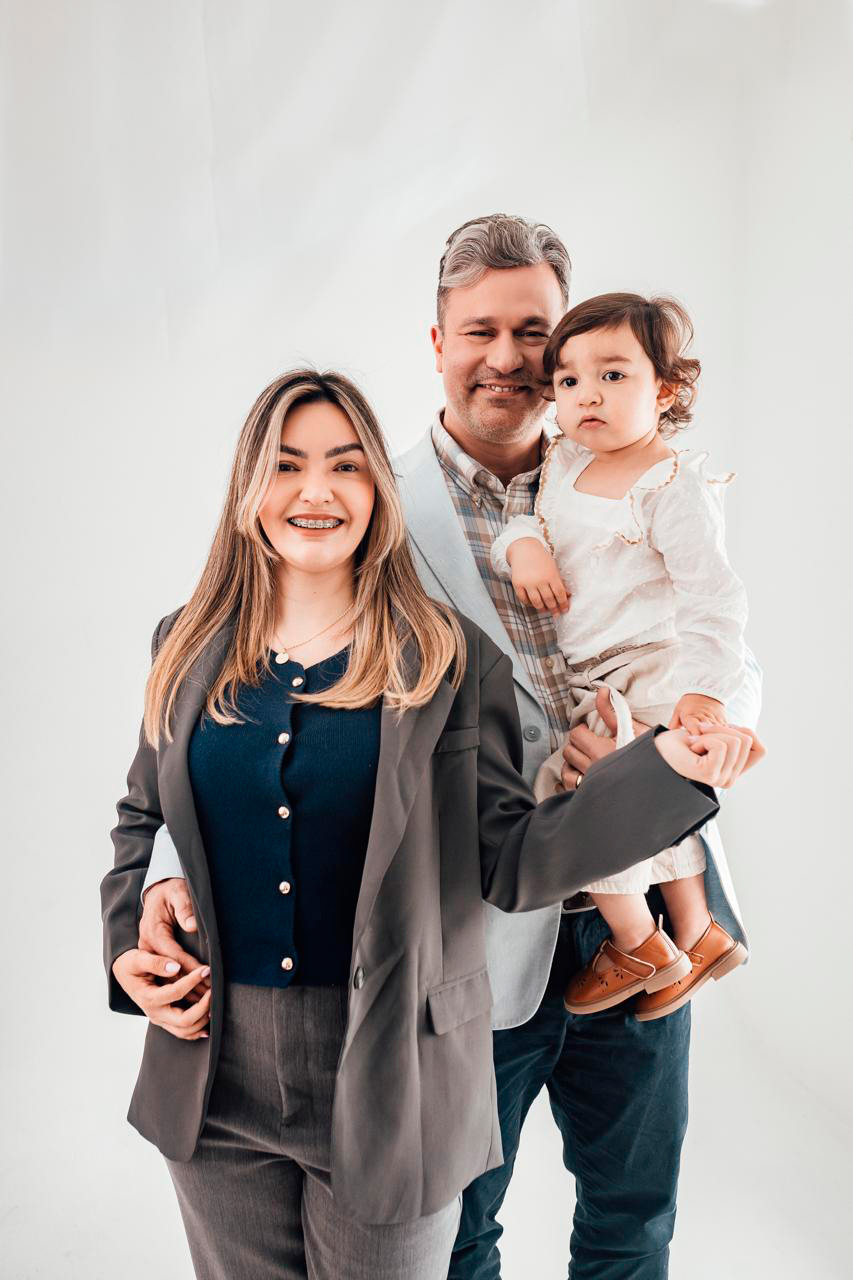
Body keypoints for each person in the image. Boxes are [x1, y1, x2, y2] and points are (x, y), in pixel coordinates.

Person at [137, 214, 763, 1279]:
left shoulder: (630, 469)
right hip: (470, 937)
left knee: (633, 1213)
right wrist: (169, 866)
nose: (509, 357)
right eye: (480, 330)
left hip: (641, 909)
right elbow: (252, 692)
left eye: (534, 331)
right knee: (460, 1235)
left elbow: (714, 632)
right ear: (437, 342)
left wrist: (694, 730)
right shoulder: (367, 503)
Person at [491, 291, 749, 1020]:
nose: (586, 395)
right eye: (568, 380)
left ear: (664, 390)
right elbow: (518, 514)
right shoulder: (565, 460)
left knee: (583, 800)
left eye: (612, 375)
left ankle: (638, 941)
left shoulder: (670, 485)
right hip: (592, 676)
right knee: (640, 806)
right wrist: (525, 546)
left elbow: (714, 598)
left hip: (646, 669)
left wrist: (705, 694)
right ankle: (695, 931)